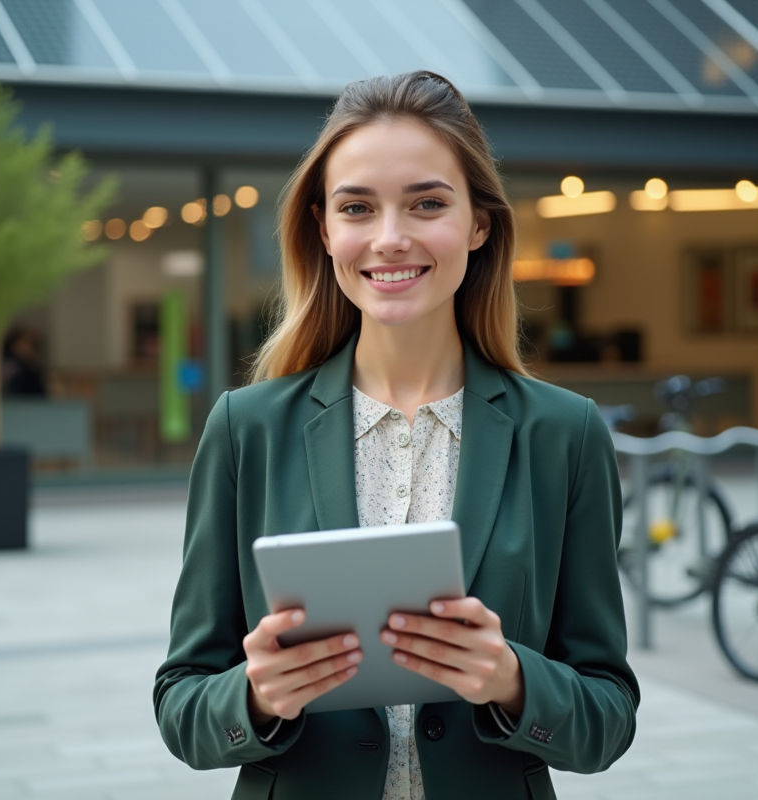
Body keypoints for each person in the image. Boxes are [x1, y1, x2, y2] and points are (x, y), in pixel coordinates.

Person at [154, 71, 638, 800]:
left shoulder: (563, 436)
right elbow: (182, 705)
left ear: (479, 223)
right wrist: (255, 696)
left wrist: (511, 680)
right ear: (324, 228)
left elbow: (607, 717)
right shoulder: (244, 430)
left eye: (426, 203)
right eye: (357, 207)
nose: (389, 238)